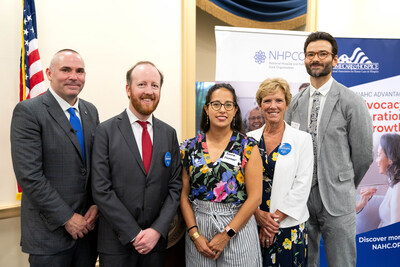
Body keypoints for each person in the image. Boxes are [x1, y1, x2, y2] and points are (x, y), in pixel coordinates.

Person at [285, 31, 374, 267]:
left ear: (335, 60)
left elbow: (364, 155)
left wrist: (343, 183)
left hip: (337, 200)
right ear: (304, 59)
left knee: (341, 263)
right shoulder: (296, 102)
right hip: (301, 200)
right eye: (310, 54)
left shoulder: (351, 101)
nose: (316, 58)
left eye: (323, 54)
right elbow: (289, 147)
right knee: (304, 262)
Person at [10, 49, 99, 266]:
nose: (74, 76)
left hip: (88, 233)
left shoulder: (91, 111)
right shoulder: (29, 112)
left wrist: (96, 206)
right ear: (49, 73)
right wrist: (67, 218)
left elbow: (97, 166)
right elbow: (29, 176)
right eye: (66, 70)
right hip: (49, 236)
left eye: (80, 71)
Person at [91, 61, 182, 267]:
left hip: (155, 245)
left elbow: (175, 187)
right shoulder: (105, 131)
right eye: (142, 84)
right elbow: (101, 189)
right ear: (128, 89)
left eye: (155, 85)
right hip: (116, 244)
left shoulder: (169, 134)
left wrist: (156, 230)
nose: (149, 91)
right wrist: (133, 233)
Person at [180, 83, 263, 266]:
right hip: (199, 229)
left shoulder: (248, 147)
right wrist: (194, 235)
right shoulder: (188, 147)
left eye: (228, 105)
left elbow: (255, 198)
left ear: (235, 111)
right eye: (216, 104)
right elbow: (183, 196)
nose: (222, 110)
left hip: (237, 227)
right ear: (206, 109)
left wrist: (227, 234)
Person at [247, 78, 313, 266]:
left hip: (288, 226)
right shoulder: (249, 139)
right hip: (254, 224)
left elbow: (303, 184)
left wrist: (272, 222)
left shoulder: (302, 139)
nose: (272, 106)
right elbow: (241, 183)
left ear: (286, 104)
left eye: (278, 100)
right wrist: (258, 215)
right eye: (267, 101)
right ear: (260, 105)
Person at [357, 133, 400, 227]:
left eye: (379, 155)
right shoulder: (393, 183)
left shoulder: (398, 188)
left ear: (391, 159)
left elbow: (395, 232)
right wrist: (361, 204)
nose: (376, 160)